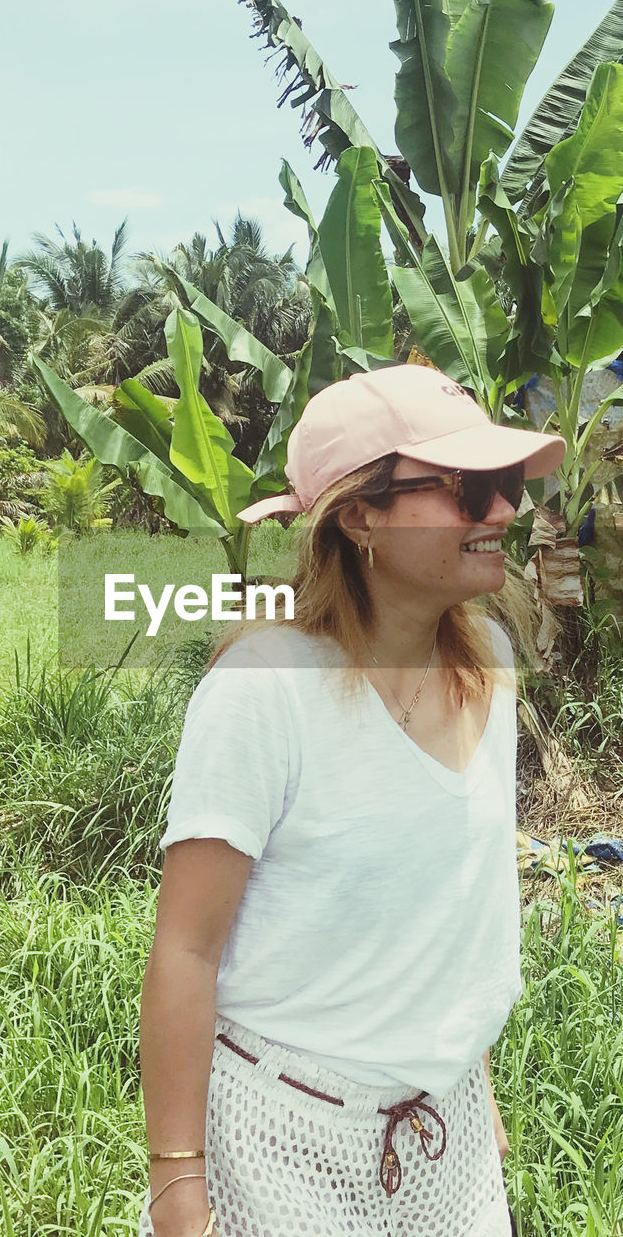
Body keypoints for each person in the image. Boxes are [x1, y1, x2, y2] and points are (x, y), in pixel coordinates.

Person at [136, 364, 566, 1237]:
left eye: (504, 484)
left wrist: (463, 1074)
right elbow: (185, 948)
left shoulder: (485, 653)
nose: (503, 513)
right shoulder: (266, 687)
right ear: (358, 515)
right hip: (284, 1134)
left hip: (443, 1130)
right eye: (465, 489)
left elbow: (453, 904)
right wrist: (178, 1184)